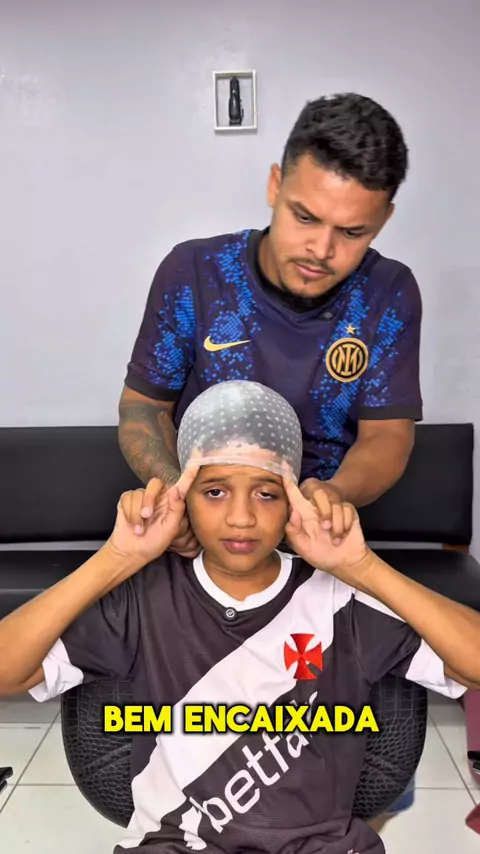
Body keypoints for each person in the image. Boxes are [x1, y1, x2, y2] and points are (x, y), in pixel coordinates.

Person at [0, 381, 479, 854]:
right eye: (214, 491)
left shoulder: (341, 598)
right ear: (182, 495)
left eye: (267, 494)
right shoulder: (142, 599)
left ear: (293, 499)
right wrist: (117, 558)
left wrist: (362, 567)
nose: (241, 518)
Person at [118, 92, 423, 823]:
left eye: (352, 232)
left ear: (383, 221)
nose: (321, 250)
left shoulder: (388, 294)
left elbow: (386, 436)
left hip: (323, 543)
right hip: (203, 546)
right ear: (274, 184)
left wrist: (329, 498)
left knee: (360, 766)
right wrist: (179, 495)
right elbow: (141, 411)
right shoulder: (194, 273)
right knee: (192, 753)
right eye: (304, 217)